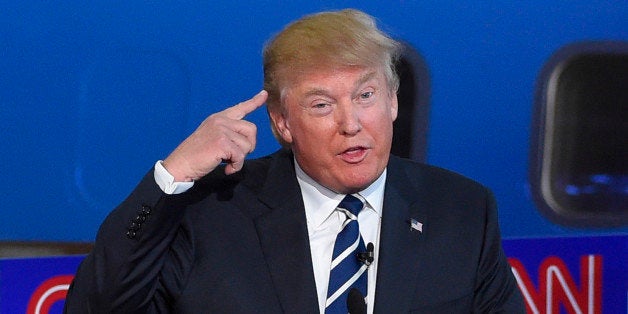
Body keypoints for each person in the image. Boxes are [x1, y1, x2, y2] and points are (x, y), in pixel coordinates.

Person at [64, 8, 524, 313]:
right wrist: (173, 177)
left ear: (393, 103)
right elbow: (98, 306)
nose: (352, 124)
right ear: (282, 123)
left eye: (365, 95)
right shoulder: (212, 213)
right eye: (322, 105)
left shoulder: (462, 209)